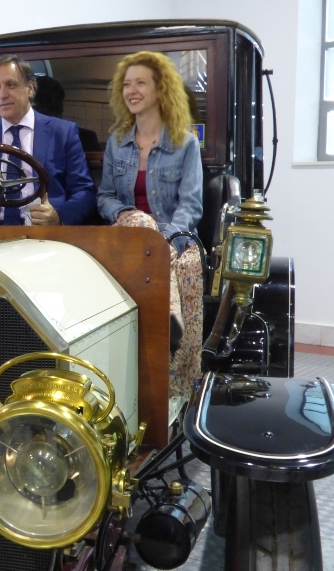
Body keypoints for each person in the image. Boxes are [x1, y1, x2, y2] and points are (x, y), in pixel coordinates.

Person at [97, 51, 203, 398]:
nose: (132, 90)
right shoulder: (117, 141)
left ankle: (180, 383)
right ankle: (165, 338)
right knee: (141, 222)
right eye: (127, 84)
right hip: (128, 234)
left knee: (189, 267)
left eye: (140, 83)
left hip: (174, 239)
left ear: (160, 89)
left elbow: (190, 205)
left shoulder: (185, 142)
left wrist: (167, 240)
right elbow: (105, 197)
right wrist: (128, 216)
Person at [0, 55, 96, 225]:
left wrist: (58, 217)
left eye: (10, 85)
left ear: (30, 89)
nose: (2, 95)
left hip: (44, 232)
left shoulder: (62, 132)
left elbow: (84, 192)